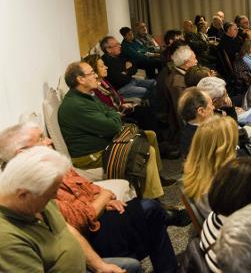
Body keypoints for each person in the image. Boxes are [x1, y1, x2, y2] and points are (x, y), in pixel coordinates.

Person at [0, 122, 182, 272]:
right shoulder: (13, 230)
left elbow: (68, 227)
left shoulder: (41, 189)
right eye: (40, 138)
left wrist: (100, 265)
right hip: (93, 228)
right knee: (149, 213)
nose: (48, 140)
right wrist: (102, 198)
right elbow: (78, 221)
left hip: (94, 230)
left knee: (148, 215)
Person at [0, 146, 142, 273]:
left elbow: (68, 230)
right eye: (51, 193)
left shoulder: (37, 201)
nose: (55, 197)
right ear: (23, 194)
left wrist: (100, 266)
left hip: (82, 265)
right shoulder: (7, 239)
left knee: (132, 265)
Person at [58, 61, 172, 199]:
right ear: (80, 79)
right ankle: (154, 199)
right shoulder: (76, 105)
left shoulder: (87, 95)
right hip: (91, 156)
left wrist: (112, 115)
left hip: (105, 143)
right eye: (91, 73)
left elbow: (109, 111)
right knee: (147, 151)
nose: (95, 76)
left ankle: (156, 179)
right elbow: (113, 126)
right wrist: (114, 115)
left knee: (150, 135)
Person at [177, 87, 214, 157]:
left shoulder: (186, 131)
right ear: (201, 111)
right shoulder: (208, 135)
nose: (213, 107)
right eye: (211, 104)